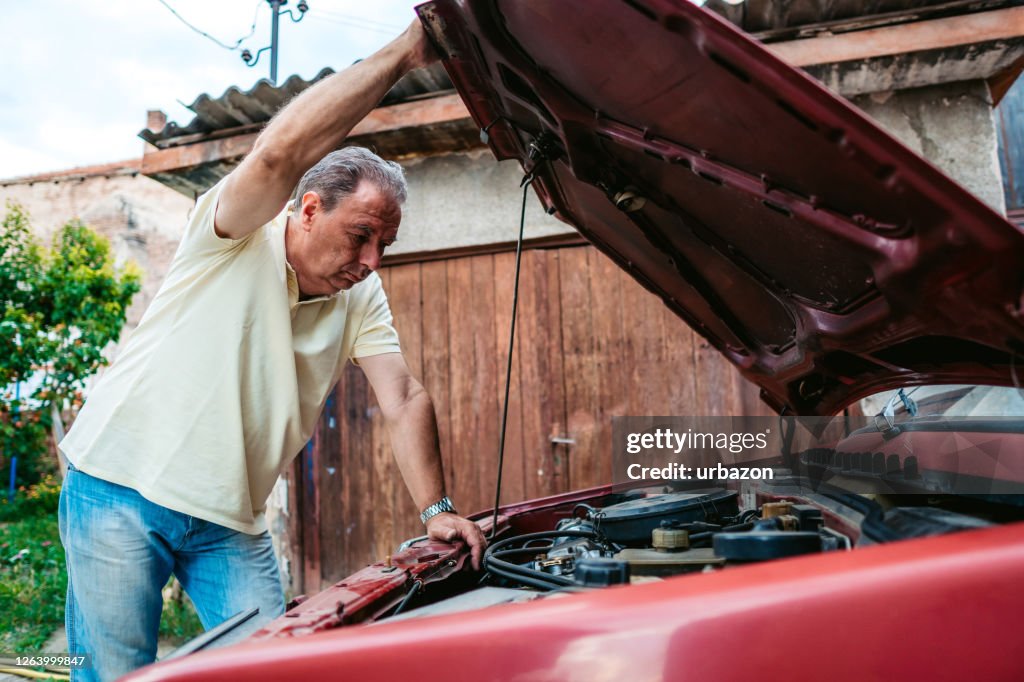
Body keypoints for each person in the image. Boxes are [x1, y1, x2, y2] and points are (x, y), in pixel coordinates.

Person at [57, 19, 486, 681]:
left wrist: (437, 511)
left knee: (278, 667)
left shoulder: (359, 295)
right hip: (117, 490)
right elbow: (276, 159)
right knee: (116, 674)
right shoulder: (233, 233)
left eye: (385, 246)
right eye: (361, 235)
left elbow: (402, 398)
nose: (371, 261)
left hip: (229, 520)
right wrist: (407, 50)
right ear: (308, 209)